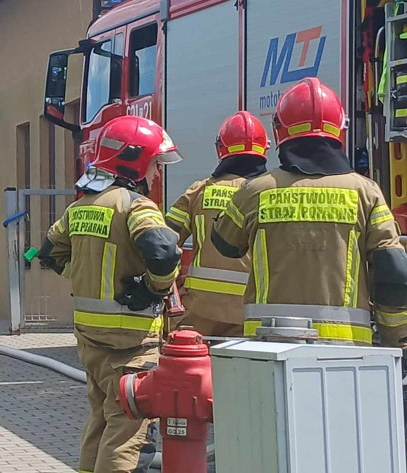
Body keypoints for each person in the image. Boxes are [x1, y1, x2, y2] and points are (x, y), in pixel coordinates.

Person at [213, 77, 407, 346]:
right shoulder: (367, 192)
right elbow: (393, 271)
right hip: (347, 347)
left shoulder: (256, 190)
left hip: (268, 343)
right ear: (339, 129)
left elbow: (225, 244)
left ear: (280, 131)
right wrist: (395, 338)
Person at [37, 115, 183, 473]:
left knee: (101, 422)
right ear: (134, 161)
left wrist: (84, 276)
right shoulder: (136, 206)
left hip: (90, 340)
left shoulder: (80, 208)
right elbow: (164, 253)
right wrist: (151, 288)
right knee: (128, 432)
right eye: (154, 164)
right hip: (130, 342)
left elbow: (48, 254)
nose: (157, 174)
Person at [164, 111, 269, 337]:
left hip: (198, 314)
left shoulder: (198, 191)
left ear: (220, 149)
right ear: (264, 150)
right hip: (253, 314)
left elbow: (164, 244)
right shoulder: (270, 195)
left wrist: (173, 297)